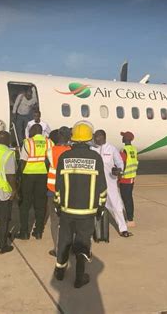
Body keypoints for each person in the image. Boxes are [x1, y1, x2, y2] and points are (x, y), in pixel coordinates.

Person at [53, 121, 107, 288]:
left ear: (73, 138)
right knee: (83, 243)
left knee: (64, 241)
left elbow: (58, 186)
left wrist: (58, 206)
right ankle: (79, 276)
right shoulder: (96, 158)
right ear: (89, 138)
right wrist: (101, 207)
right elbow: (102, 187)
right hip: (87, 212)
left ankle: (60, 272)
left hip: (67, 210)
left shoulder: (64, 157)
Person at [16, 124, 53, 240]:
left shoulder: (28, 142)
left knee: (25, 204)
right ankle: (38, 231)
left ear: (34, 130)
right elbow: (49, 160)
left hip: (28, 175)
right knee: (41, 204)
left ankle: (24, 232)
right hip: (43, 175)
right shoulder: (49, 142)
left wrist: (19, 177)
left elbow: (23, 161)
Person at [93, 129, 132, 237]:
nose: (96, 139)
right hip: (94, 182)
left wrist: (119, 169)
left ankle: (123, 229)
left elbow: (119, 162)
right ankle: (93, 231)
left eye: (98, 137)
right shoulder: (92, 148)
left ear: (104, 137)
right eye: (95, 137)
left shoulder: (111, 149)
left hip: (109, 181)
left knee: (116, 206)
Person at [45, 126, 72, 256]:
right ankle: (69, 246)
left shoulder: (50, 151)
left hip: (53, 190)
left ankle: (57, 249)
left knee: (55, 221)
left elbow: (47, 166)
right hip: (69, 191)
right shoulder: (72, 151)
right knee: (69, 221)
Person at [119, 131, 139, 227]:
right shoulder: (134, 149)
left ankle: (130, 219)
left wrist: (119, 174)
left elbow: (122, 163)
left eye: (123, 137)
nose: (122, 138)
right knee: (128, 198)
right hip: (131, 177)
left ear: (126, 139)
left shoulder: (124, 150)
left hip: (125, 178)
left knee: (126, 199)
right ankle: (130, 217)